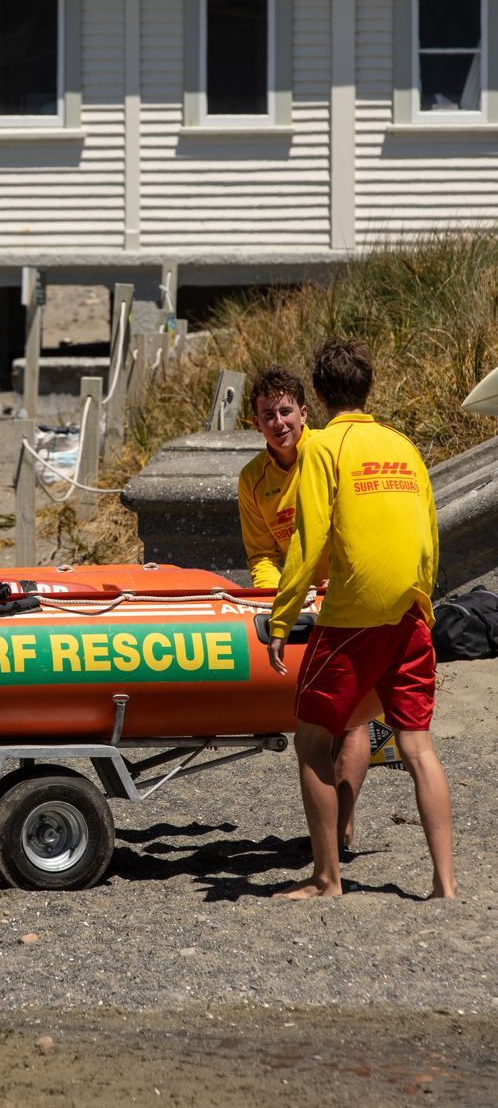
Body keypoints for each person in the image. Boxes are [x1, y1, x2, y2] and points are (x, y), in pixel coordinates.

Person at [267, 340, 456, 899]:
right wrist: (423, 604)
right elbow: (429, 533)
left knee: (311, 743)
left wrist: (281, 619)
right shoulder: (403, 444)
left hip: (352, 616)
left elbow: (308, 539)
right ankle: (445, 886)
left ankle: (328, 880)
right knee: (417, 746)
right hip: (410, 609)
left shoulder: (322, 445)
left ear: (319, 396)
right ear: (367, 389)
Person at [238, 367, 371, 852]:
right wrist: (278, 598)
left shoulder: (328, 453)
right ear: (256, 423)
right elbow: (261, 554)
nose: (279, 422)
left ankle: (342, 825)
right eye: (268, 414)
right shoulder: (252, 480)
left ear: (305, 412)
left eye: (286, 411)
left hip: (347, 594)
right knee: (318, 720)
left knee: (352, 718)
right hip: (294, 604)